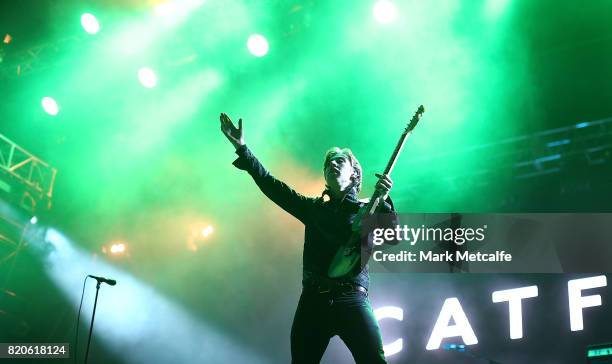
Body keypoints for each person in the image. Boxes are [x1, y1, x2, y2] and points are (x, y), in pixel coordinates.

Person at [220, 112, 396, 364]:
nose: (332, 165)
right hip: (314, 301)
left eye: (339, 161)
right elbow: (271, 185)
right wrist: (242, 148)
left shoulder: (367, 209)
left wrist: (386, 203)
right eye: (328, 164)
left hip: (352, 298)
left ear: (355, 173)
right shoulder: (313, 209)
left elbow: (391, 236)